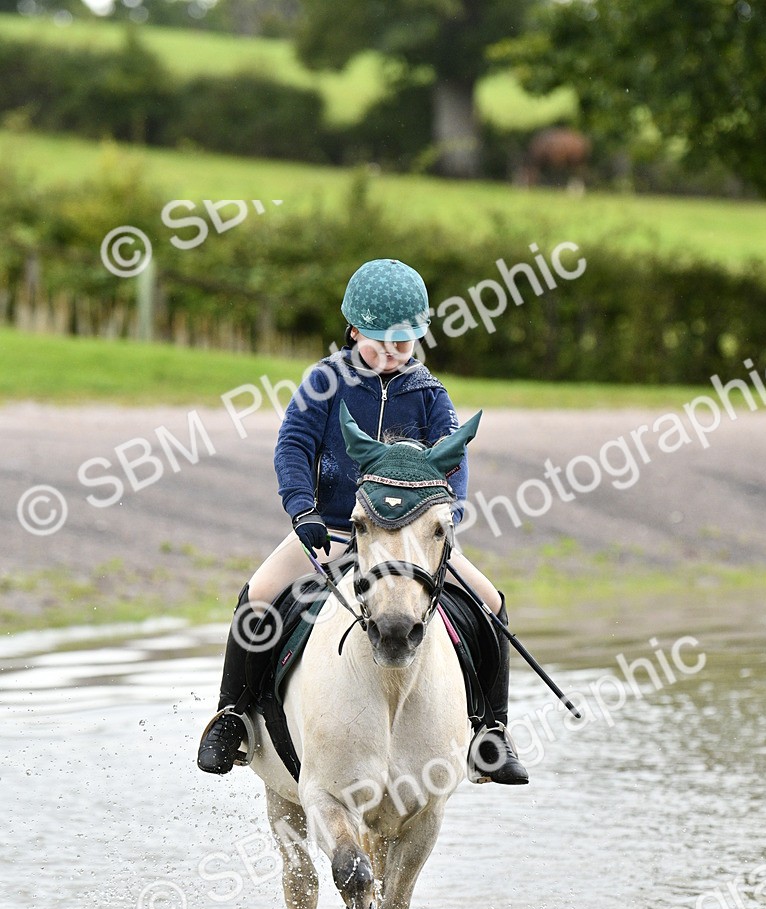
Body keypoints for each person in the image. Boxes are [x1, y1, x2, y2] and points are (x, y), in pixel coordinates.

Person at [197, 258, 528, 785]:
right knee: (259, 594)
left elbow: (452, 464)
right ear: (353, 330)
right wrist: (301, 510)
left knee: (490, 602)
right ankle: (232, 715)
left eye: (404, 342)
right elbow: (293, 448)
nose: (393, 353)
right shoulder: (324, 382)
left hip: (413, 539)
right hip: (329, 530)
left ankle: (491, 731)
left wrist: (445, 523)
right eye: (380, 342)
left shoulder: (430, 394)